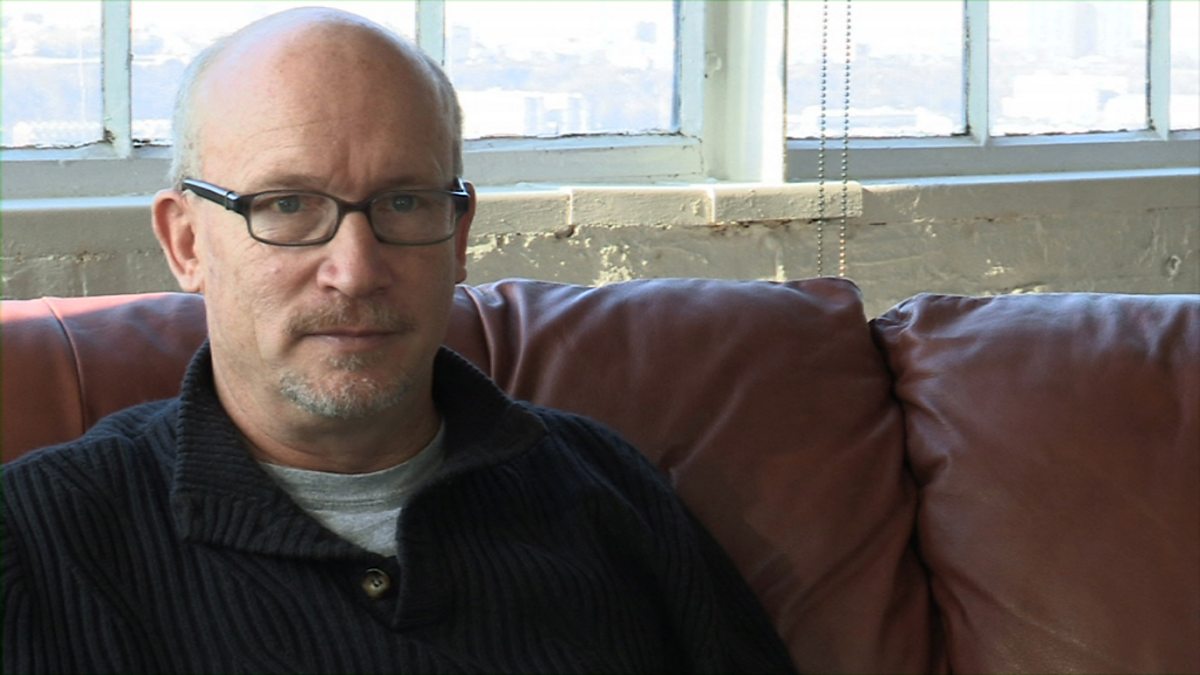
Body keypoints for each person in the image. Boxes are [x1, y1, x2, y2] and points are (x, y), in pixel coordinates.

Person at [2, 8, 795, 674]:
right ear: (187, 243)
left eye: (406, 202)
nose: (355, 270)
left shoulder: (606, 489)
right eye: (287, 205)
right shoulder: (36, 541)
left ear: (460, 236)